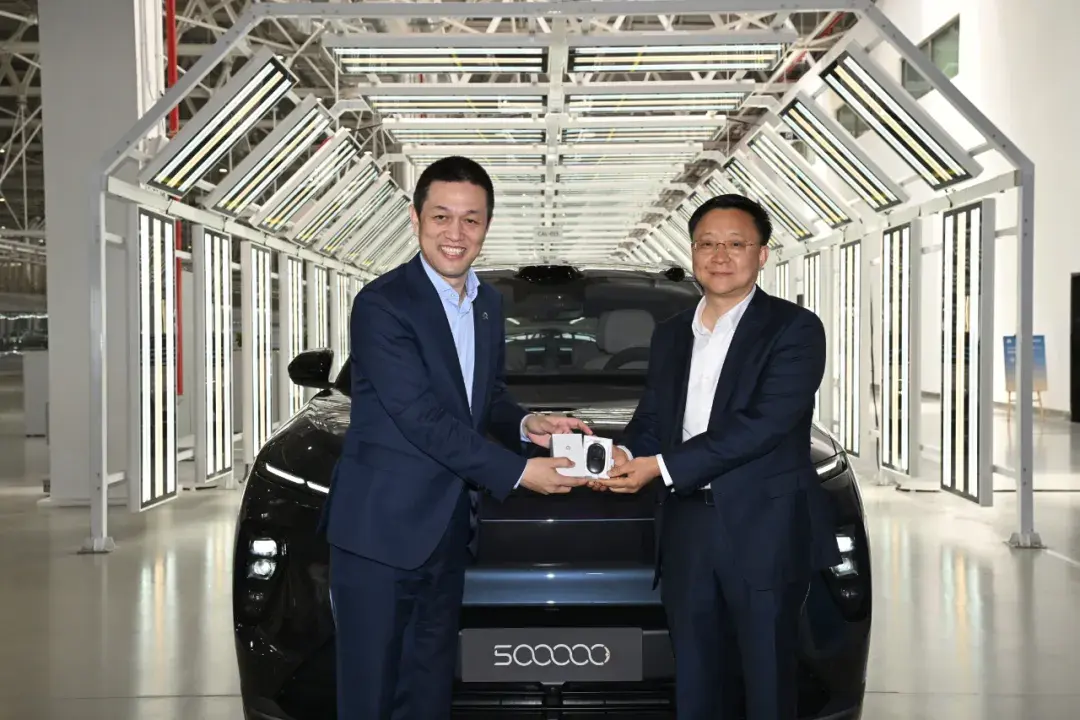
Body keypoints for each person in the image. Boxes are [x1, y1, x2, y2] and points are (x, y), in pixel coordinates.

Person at [319, 156, 593, 720]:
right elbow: (418, 415)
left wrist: (527, 424)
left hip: (445, 531)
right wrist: (518, 471)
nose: (456, 233)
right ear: (416, 218)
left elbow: (483, 397)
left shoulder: (487, 304)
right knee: (371, 694)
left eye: (471, 219)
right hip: (379, 534)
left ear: (487, 225)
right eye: (442, 216)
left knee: (428, 689)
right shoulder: (382, 304)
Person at [595, 194, 842, 720]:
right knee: (697, 678)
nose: (720, 256)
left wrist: (661, 468)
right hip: (686, 526)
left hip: (763, 527)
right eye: (707, 244)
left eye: (736, 244)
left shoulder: (794, 329)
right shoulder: (671, 334)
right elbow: (655, 419)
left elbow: (764, 425)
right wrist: (624, 452)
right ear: (693, 252)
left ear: (762, 254)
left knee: (767, 680)